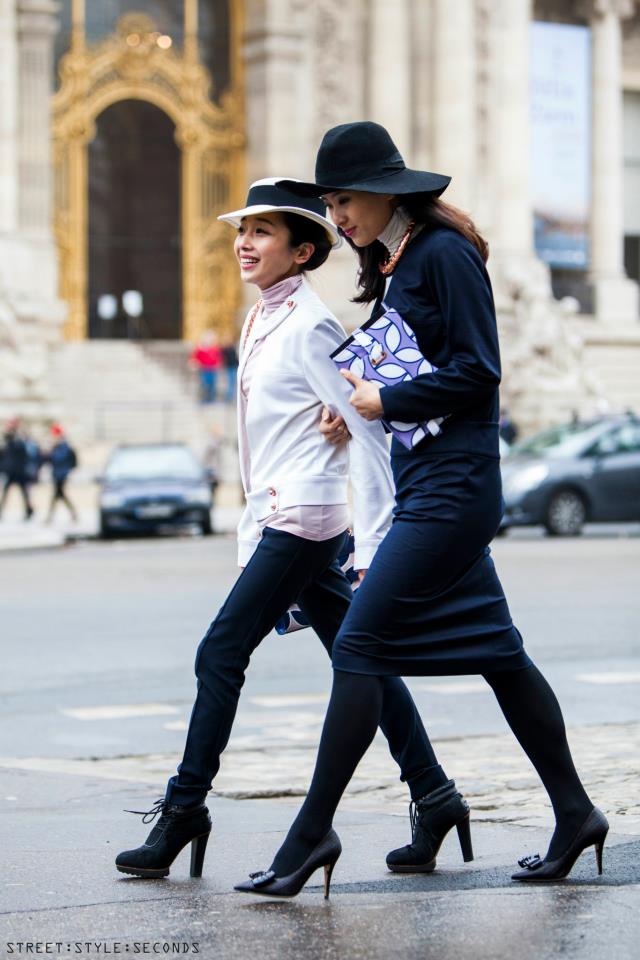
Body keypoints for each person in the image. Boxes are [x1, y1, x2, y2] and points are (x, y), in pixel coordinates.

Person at [235, 122, 606, 898]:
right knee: (502, 655)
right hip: (427, 477)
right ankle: (576, 814)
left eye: (343, 202)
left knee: (360, 645)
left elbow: (481, 370)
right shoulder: (394, 263)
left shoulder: (443, 254)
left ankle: (312, 833)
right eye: (330, 204)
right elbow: (408, 351)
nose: (337, 219)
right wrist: (355, 403)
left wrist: (386, 397)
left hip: (456, 488)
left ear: (381, 191)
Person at [115, 178, 454, 880]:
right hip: (283, 508)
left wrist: (376, 537)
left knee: (220, 652)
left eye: (263, 232)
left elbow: (370, 422)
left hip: (306, 516)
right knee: (358, 660)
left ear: (302, 252)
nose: (245, 243)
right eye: (242, 230)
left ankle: (184, 810)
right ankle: (435, 792)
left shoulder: (309, 324)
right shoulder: (263, 316)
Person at [0, 418, 34, 520]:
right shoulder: (8, 440)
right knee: (7, 493)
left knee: (23, 493)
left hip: (19, 472)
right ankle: (2, 511)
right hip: (12, 471)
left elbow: (24, 455)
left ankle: (28, 510)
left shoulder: (20, 441)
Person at [45, 424, 78, 522]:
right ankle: (72, 514)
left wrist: (52, 451)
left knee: (58, 494)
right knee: (59, 495)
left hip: (61, 474)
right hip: (57, 473)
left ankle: (50, 517)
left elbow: (59, 458)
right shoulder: (59, 446)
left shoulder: (63, 445)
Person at [189, 330, 223, 404]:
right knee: (204, 385)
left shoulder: (214, 349)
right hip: (204, 369)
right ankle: (204, 399)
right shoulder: (200, 349)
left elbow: (218, 358)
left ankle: (211, 399)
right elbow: (194, 358)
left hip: (212, 370)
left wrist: (218, 363)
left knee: (212, 385)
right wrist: (195, 363)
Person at [221, 335, 239, 403]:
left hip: (234, 367)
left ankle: (232, 397)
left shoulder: (233, 348)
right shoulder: (225, 349)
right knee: (230, 382)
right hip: (229, 367)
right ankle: (229, 397)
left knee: (233, 382)